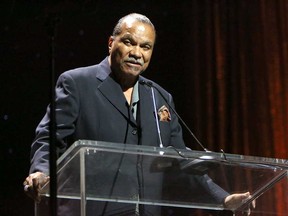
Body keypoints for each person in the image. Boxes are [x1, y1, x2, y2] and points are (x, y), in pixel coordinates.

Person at [23, 13, 255, 215]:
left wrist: (222, 199)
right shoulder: (77, 83)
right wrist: (41, 173)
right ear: (111, 43)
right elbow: (49, 138)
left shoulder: (160, 97)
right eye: (128, 42)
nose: (137, 53)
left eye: (145, 47)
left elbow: (181, 162)